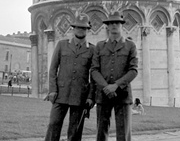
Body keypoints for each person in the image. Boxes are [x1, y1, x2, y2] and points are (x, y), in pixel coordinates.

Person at [44, 14, 95, 141]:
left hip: (80, 95)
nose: (80, 30)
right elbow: (53, 69)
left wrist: (90, 96)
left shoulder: (92, 49)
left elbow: (93, 76)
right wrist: (52, 90)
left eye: (83, 28)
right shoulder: (62, 45)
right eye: (78, 27)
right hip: (60, 93)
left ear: (87, 30)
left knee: (75, 130)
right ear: (73, 28)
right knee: (53, 125)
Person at [91, 11, 138, 141]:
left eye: (117, 23)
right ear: (107, 26)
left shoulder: (130, 45)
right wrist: (106, 87)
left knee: (123, 134)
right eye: (111, 23)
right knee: (101, 132)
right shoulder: (100, 46)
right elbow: (94, 70)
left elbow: (133, 70)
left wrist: (116, 85)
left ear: (121, 25)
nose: (114, 26)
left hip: (122, 95)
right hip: (103, 94)